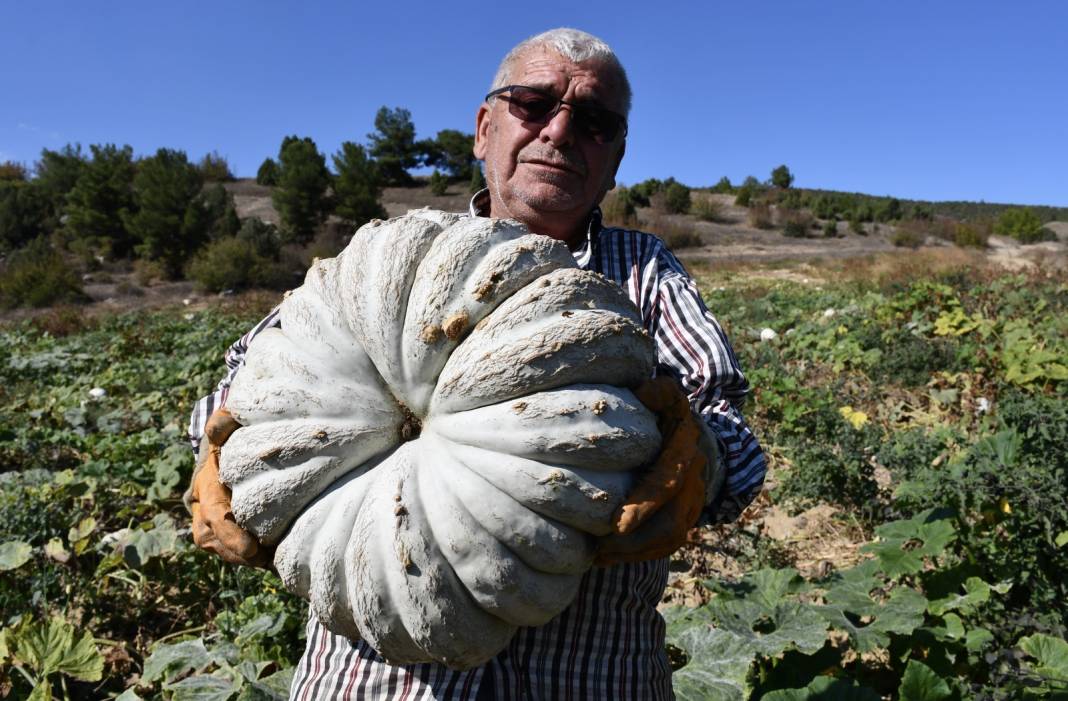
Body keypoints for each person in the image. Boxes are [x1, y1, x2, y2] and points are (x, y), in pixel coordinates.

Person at [188, 27, 766, 699]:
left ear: (615, 159)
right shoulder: (382, 260)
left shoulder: (643, 275)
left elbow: (731, 433)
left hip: (592, 679)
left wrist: (704, 460)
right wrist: (218, 446)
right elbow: (248, 384)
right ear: (485, 127)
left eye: (595, 121)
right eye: (534, 103)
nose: (560, 131)